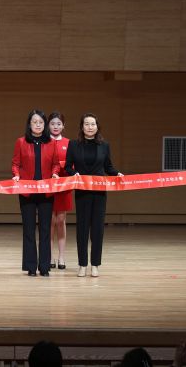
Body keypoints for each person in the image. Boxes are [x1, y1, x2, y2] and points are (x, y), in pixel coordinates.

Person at [64, 112, 123, 278]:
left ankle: (95, 265)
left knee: (97, 229)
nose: (90, 127)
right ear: (82, 127)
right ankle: (82, 265)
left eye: (93, 124)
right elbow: (68, 166)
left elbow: (108, 167)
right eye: (87, 124)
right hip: (82, 192)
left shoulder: (104, 145)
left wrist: (117, 173)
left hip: (99, 192)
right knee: (82, 229)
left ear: (97, 127)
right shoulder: (73, 144)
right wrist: (74, 173)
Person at [11, 110, 61, 276]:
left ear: (44, 125)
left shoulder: (51, 143)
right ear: (29, 124)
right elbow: (15, 163)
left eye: (41, 122)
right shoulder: (21, 142)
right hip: (27, 191)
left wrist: (55, 173)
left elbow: (56, 164)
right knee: (29, 229)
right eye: (34, 122)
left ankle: (45, 267)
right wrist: (16, 175)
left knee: (46, 230)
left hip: (46, 192)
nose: (38, 125)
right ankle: (31, 267)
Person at [48, 111, 71, 270]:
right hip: (48, 186)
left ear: (63, 126)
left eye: (59, 124)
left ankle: (61, 257)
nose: (56, 126)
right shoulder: (44, 142)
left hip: (64, 186)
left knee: (61, 220)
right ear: (48, 125)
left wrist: (65, 166)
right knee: (49, 221)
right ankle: (49, 256)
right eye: (52, 124)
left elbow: (73, 164)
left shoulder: (69, 143)